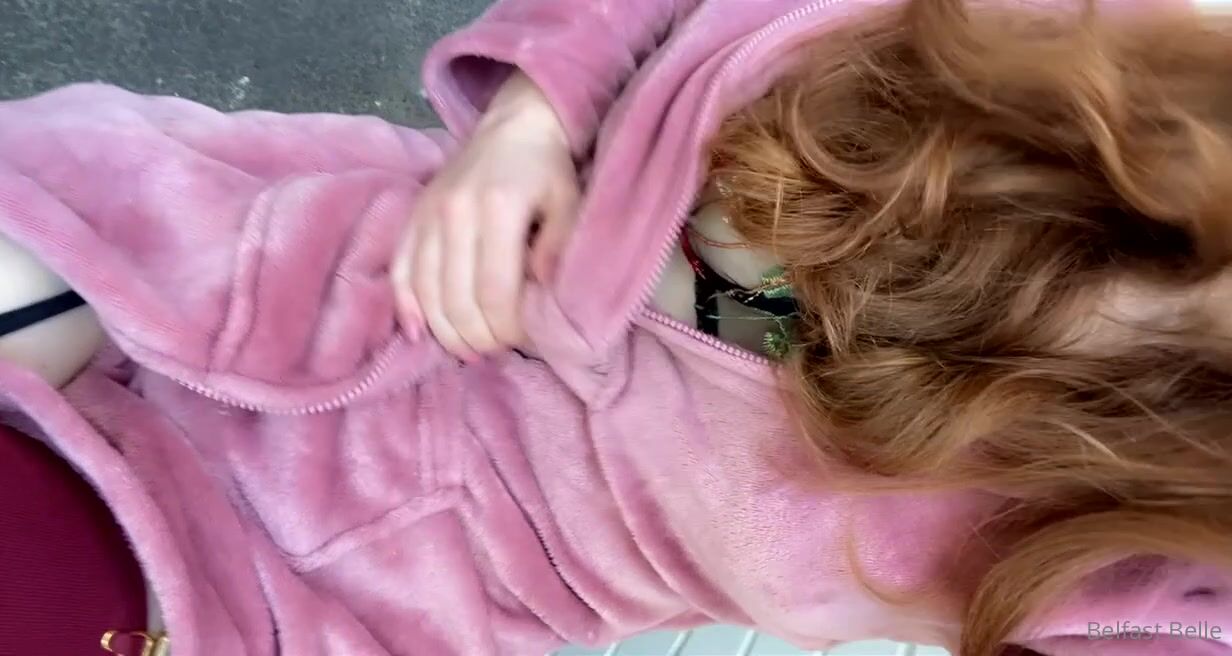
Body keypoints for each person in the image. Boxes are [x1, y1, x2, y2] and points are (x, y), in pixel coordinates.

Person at [0, 0, 1230, 655]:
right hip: (248, 254)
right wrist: (528, 120)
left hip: (314, 586)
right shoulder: (1115, 54)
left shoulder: (1171, 571)